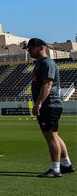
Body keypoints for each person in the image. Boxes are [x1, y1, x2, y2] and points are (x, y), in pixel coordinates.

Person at [27, 38, 73, 177]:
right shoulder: (40, 63)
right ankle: (66, 164)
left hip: (49, 104)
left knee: (50, 137)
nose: (29, 50)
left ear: (41, 47)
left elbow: (47, 85)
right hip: (49, 104)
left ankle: (55, 169)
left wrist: (39, 103)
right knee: (54, 135)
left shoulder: (47, 63)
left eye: (31, 48)